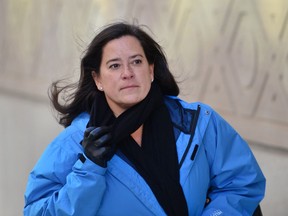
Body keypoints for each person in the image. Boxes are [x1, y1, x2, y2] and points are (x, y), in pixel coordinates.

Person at [24, 22, 265, 216]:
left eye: (136, 62)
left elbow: (241, 185)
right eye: (115, 65)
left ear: (151, 70)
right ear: (97, 79)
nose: (128, 73)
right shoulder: (75, 141)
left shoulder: (199, 123)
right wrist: (88, 169)